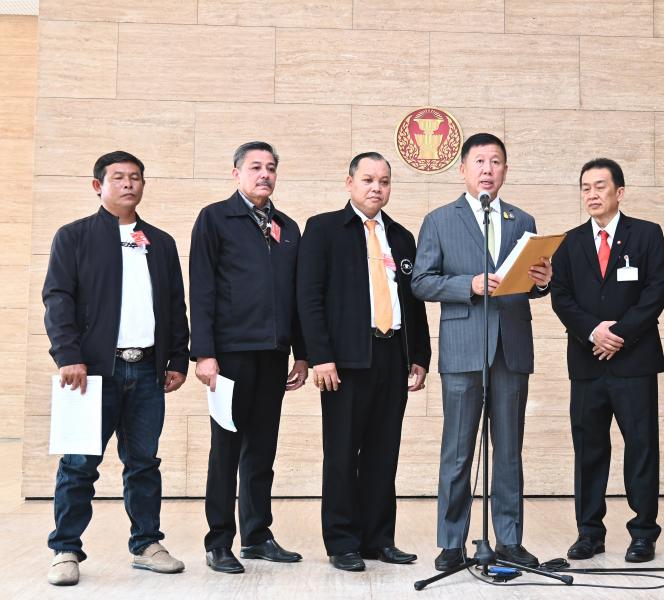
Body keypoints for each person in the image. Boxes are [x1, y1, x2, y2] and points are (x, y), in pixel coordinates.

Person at [43, 151, 189, 586]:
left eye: (136, 177)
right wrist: (68, 355)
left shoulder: (160, 242)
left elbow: (175, 306)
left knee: (143, 463)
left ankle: (147, 544)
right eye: (119, 177)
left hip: (147, 372)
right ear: (98, 186)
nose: (128, 184)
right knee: (79, 465)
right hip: (89, 373)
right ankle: (65, 549)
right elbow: (57, 299)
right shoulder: (74, 237)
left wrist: (177, 358)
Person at [411, 132, 552, 571]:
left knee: (508, 451)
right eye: (479, 161)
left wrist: (542, 281)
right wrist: (467, 285)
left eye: (495, 162)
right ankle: (452, 543)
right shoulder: (439, 220)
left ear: (505, 170)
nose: (487, 169)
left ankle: (509, 539)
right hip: (463, 348)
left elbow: (529, 285)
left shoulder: (522, 219)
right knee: (458, 452)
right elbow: (421, 281)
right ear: (463, 170)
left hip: (511, 349)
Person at [298, 152, 431, 572]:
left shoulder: (401, 236)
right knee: (341, 453)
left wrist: (420, 355)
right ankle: (342, 541)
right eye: (369, 179)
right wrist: (320, 357)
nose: (377, 187)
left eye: (384, 181)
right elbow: (309, 298)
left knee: (383, 452)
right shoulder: (323, 230)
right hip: (345, 361)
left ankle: (379, 539)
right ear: (350, 183)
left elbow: (414, 302)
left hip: (392, 355)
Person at [190, 141, 308, 574]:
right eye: (255, 167)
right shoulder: (215, 218)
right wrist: (204, 353)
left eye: (271, 168)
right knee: (226, 451)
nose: (264, 174)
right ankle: (219, 541)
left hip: (273, 355)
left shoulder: (287, 227)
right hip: (230, 356)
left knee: (262, 451)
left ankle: (257, 536)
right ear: (236, 173)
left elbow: (297, 296)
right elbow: (201, 287)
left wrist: (302, 354)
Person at [550, 158, 664, 563]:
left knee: (641, 448)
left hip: (634, 362)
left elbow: (655, 293)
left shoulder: (647, 234)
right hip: (587, 364)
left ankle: (643, 533)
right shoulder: (568, 242)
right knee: (589, 450)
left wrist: (618, 335)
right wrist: (593, 332)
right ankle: (589, 533)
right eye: (585, 187)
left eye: (600, 186)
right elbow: (561, 297)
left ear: (620, 192)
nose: (592, 194)